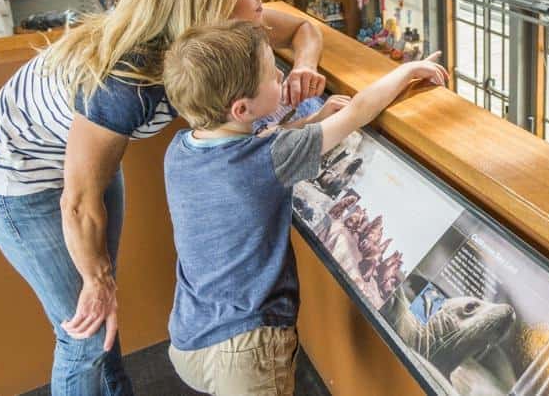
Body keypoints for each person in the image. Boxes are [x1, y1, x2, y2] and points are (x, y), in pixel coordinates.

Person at [0, 0, 325, 396]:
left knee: (105, 318)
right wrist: (95, 279)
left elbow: (303, 27)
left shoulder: (211, 41)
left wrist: (304, 67)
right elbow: (78, 201)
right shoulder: (126, 80)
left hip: (84, 166)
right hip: (21, 177)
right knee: (86, 329)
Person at [159, 19, 447, 396]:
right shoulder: (268, 158)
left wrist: (313, 121)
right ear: (242, 108)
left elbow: (257, 143)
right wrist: (407, 70)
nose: (281, 75)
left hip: (189, 335)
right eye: (271, 75)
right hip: (248, 351)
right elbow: (359, 111)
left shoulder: (180, 151)